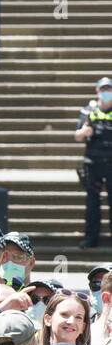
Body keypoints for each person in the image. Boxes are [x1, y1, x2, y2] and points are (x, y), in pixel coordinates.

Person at [77, 76, 112, 248]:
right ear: (97, 91)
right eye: (103, 89)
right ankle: (91, 239)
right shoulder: (88, 111)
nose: (106, 93)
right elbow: (77, 135)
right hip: (93, 163)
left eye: (109, 89)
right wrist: (85, 131)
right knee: (92, 202)